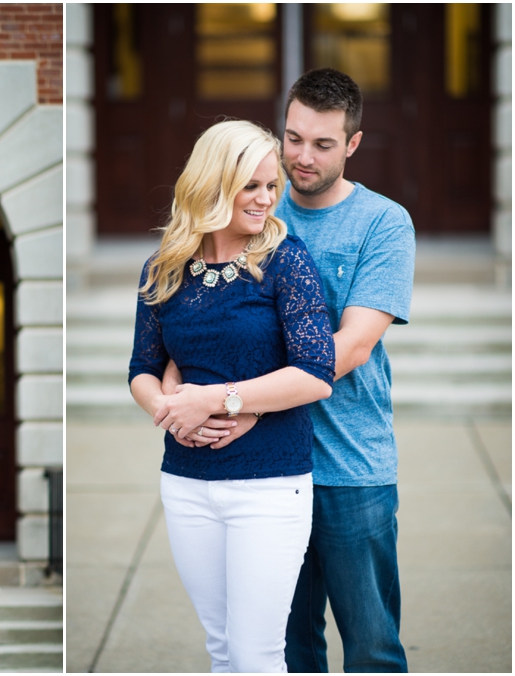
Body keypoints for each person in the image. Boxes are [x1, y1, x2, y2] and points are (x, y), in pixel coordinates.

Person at [183, 69, 415, 672]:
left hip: (349, 465)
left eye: (322, 144)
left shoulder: (383, 223)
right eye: (292, 139)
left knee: (372, 647)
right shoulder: (253, 207)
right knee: (287, 650)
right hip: (265, 472)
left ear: (353, 144)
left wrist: (240, 403)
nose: (300, 158)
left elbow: (355, 345)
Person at [128, 119, 336, 672]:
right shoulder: (164, 268)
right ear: (215, 183)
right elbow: (142, 370)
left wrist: (217, 400)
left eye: (273, 186)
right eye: (252, 185)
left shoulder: (285, 262)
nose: (266, 199)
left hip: (269, 486)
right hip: (187, 486)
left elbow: (316, 372)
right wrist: (170, 411)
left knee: (256, 652)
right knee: (222, 648)